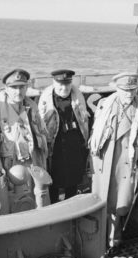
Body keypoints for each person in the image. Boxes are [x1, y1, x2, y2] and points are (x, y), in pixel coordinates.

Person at [89, 72, 138, 254]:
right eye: (125, 90)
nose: (129, 94)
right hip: (103, 166)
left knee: (120, 207)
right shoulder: (104, 106)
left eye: (133, 90)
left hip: (126, 167)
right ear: (117, 88)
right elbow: (94, 138)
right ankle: (98, 238)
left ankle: (114, 241)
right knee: (100, 204)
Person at [38, 69, 89, 203]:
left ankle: (71, 209)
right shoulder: (45, 100)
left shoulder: (78, 97)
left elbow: (85, 122)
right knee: (53, 182)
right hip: (55, 148)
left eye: (67, 84)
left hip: (74, 147)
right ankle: (53, 208)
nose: (64, 88)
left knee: (73, 182)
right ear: (53, 83)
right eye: (60, 84)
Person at [0, 69, 48, 174]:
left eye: (22, 87)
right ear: (6, 88)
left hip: (34, 164)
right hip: (11, 167)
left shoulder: (32, 107)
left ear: (27, 87)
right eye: (13, 87)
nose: (18, 91)